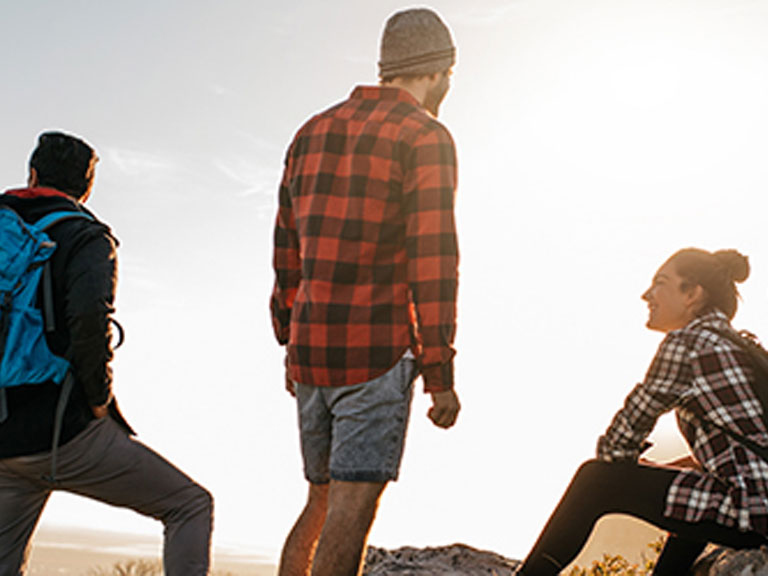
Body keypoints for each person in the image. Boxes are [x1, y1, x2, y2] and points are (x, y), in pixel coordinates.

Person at [270, 7, 461, 576]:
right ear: (439, 70)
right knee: (353, 510)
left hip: (311, 353)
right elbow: (434, 261)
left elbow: (286, 252)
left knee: (320, 499)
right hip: (374, 350)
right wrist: (440, 373)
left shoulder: (311, 131)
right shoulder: (425, 136)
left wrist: (289, 341)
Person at [0, 132, 213, 576]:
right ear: (86, 187)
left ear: (32, 174)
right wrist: (99, 399)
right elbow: (88, 326)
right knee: (189, 506)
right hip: (61, 433)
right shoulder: (85, 237)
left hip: (3, 440)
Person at [517, 248, 768, 575]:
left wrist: (630, 461)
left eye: (660, 283)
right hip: (758, 501)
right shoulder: (736, 345)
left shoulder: (688, 343)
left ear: (692, 293)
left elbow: (617, 444)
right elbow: (735, 452)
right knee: (688, 498)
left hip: (752, 509)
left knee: (596, 479)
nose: (646, 294)